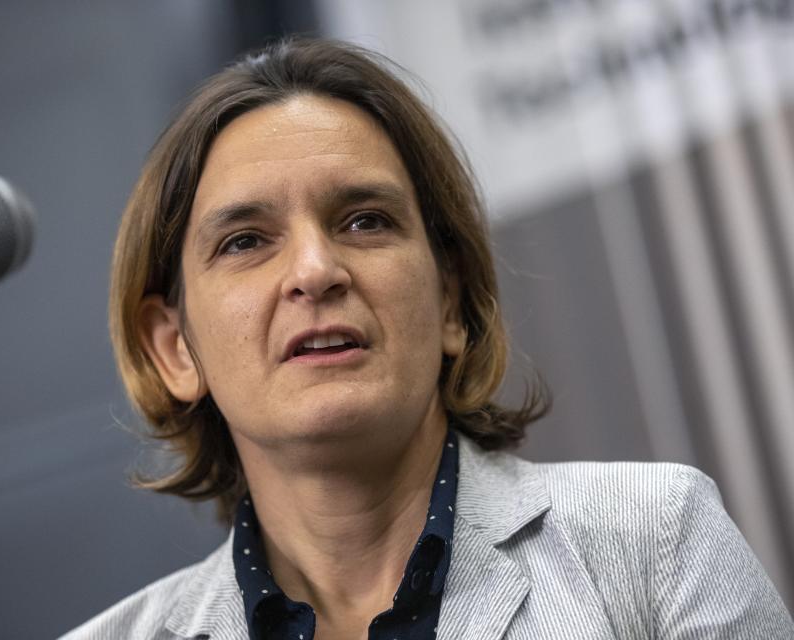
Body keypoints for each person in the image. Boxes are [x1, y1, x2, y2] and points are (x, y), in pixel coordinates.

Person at [62, 38, 793, 639]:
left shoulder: (653, 543)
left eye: (365, 221)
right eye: (248, 240)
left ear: (450, 297)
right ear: (174, 349)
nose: (315, 271)